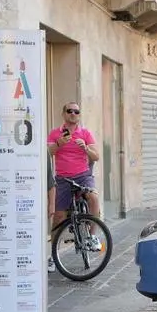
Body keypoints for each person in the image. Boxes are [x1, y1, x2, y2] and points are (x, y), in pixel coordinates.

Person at [47, 101, 101, 256]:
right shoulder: (55, 133)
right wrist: (58, 143)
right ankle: (53, 255)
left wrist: (86, 148)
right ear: (64, 114)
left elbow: (96, 156)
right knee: (59, 216)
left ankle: (91, 236)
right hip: (62, 178)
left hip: (83, 176)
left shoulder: (85, 133)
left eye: (76, 112)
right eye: (70, 111)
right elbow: (48, 153)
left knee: (93, 198)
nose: (73, 114)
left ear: (79, 115)